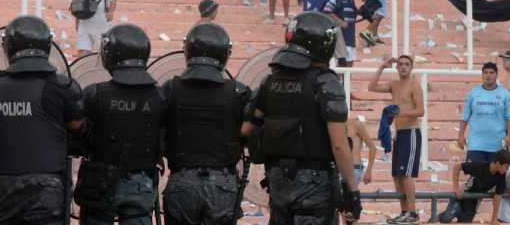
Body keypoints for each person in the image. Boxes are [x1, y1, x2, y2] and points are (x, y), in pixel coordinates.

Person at [241, 12, 362, 224]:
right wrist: (352, 190)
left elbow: (247, 130)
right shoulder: (326, 83)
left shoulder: (269, 82)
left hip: (278, 179)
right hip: (316, 183)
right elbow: (340, 145)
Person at [0, 16, 83, 224]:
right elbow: (78, 127)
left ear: (8, 47)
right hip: (48, 185)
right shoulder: (61, 86)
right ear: (48, 45)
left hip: (6, 184)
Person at [75, 24, 166, 225]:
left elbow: (77, 140)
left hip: (99, 183)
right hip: (142, 183)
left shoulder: (94, 94)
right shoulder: (160, 96)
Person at [161, 23, 251, 225]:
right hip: (223, 182)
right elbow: (252, 133)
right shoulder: (238, 92)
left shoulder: (170, 89)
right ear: (225, 54)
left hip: (182, 180)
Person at [368, 55, 425, 224]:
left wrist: (400, 113)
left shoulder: (415, 85)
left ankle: (413, 214)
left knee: (406, 174)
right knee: (397, 175)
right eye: (400, 64)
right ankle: (404, 211)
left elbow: (421, 110)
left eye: (407, 64)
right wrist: (382, 66)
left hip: (411, 132)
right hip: (399, 134)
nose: (403, 67)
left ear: (412, 67)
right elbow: (371, 87)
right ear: (397, 67)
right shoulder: (394, 84)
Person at [459, 62, 510, 163]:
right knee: (476, 176)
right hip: (476, 144)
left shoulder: (505, 94)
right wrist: (461, 135)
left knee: (494, 177)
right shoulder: (473, 93)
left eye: (491, 72)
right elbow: (465, 116)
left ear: (496, 75)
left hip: (497, 145)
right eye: (485, 72)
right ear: (482, 74)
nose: (488, 75)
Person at [443, 149, 510, 223]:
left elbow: (498, 196)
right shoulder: (480, 166)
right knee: (446, 218)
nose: (507, 169)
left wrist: (494, 218)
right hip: (460, 200)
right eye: (506, 166)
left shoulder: (501, 176)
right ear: (498, 163)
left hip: (472, 207)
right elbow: (457, 167)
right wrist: (456, 188)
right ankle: (434, 219)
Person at [324, 0, 358, 67]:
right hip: (342, 37)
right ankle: (340, 82)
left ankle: (346, 82)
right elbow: (327, 10)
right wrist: (340, 22)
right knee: (343, 65)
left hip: (350, 36)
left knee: (350, 64)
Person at [346, 115, 376, 186]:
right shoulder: (331, 125)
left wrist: (368, 171)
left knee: (348, 196)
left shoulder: (355, 124)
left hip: (354, 169)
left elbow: (372, 148)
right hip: (337, 169)